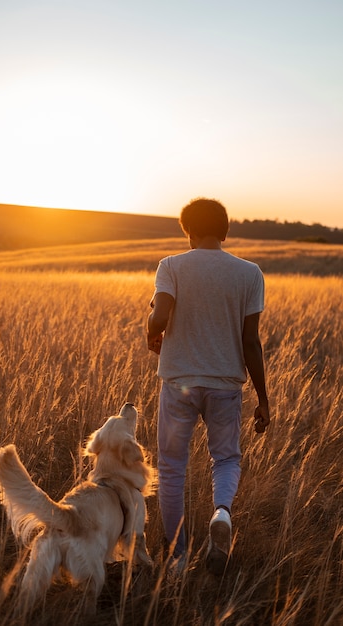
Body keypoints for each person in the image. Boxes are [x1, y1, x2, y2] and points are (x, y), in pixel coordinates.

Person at [147, 197, 270, 575]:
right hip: (225, 384)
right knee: (227, 458)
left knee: (171, 468)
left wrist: (152, 326)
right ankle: (221, 512)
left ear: (189, 232)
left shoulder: (171, 266)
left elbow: (161, 315)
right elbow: (251, 341)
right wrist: (263, 400)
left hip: (180, 382)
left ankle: (178, 558)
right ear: (225, 231)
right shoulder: (250, 273)